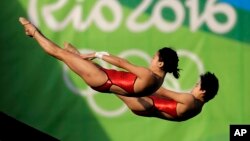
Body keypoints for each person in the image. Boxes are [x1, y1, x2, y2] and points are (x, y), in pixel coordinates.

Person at [19, 17, 180, 97]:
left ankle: (32, 30)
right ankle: (75, 55)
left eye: (154, 57)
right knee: (68, 54)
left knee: (60, 53)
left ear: (161, 63)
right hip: (104, 79)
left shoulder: (148, 75)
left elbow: (121, 62)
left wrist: (96, 54)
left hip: (102, 77)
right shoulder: (159, 82)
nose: (151, 59)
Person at [115, 72, 219, 121]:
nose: (193, 87)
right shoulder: (197, 109)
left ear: (203, 91)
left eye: (197, 86)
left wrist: (145, 81)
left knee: (110, 82)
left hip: (143, 103)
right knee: (111, 84)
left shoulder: (190, 100)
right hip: (144, 107)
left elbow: (162, 91)